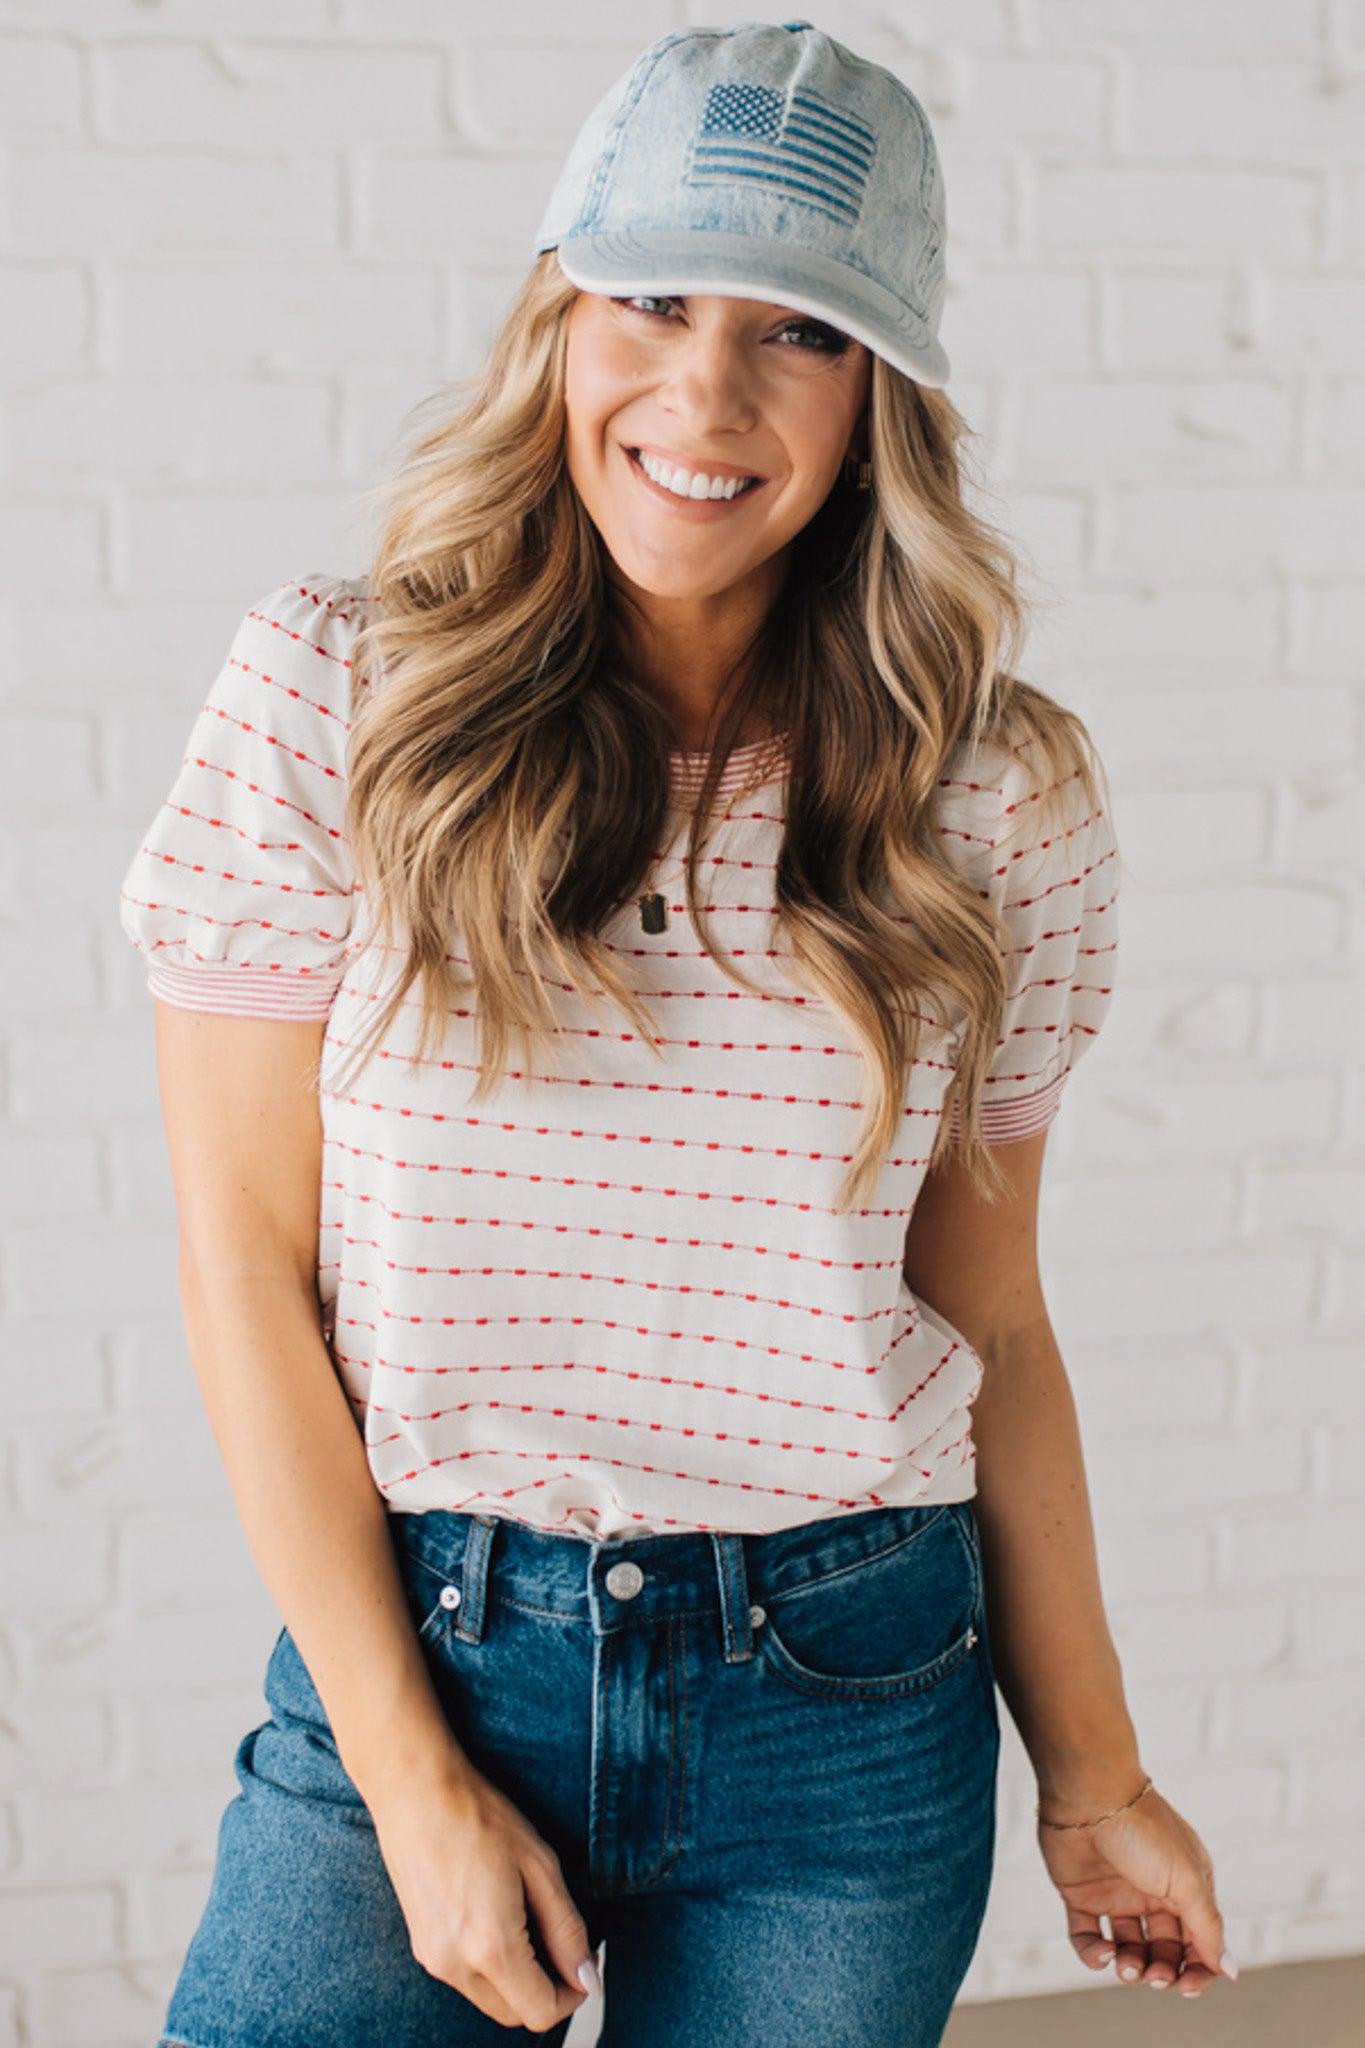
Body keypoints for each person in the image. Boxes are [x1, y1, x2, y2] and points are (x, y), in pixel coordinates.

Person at [118, 20, 1233, 2048]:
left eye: (798, 329)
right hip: (427, 1645)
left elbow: (988, 1326)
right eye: (647, 298)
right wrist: (414, 1779)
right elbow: (243, 1281)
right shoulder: (329, 699)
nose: (702, 391)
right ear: (558, 311)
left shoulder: (990, 801)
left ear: (879, 388)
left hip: (845, 1698)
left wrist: (1097, 1774)